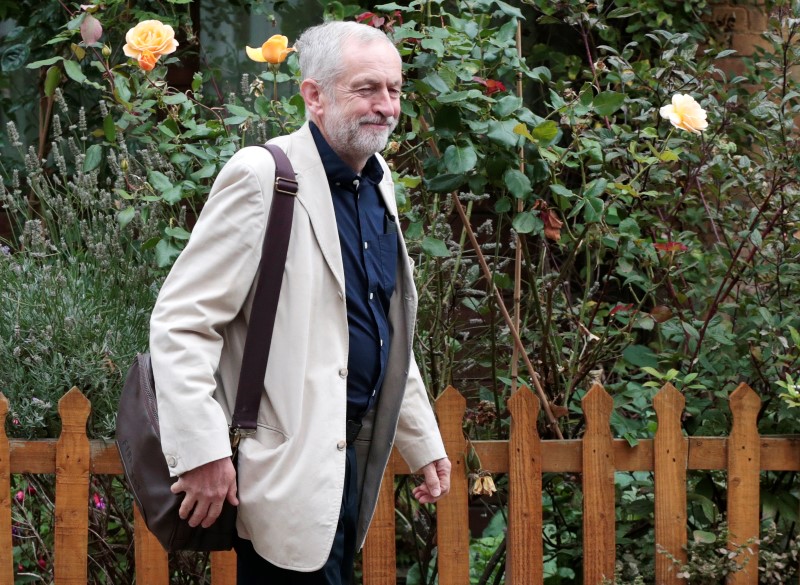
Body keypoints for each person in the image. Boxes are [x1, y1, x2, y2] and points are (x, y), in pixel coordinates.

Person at [148, 20, 452, 585]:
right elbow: (182, 323)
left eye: (394, 89)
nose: (386, 106)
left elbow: (384, 330)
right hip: (281, 470)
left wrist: (422, 440)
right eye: (367, 89)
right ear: (314, 95)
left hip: (347, 463)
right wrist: (201, 452)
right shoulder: (265, 176)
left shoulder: (377, 182)